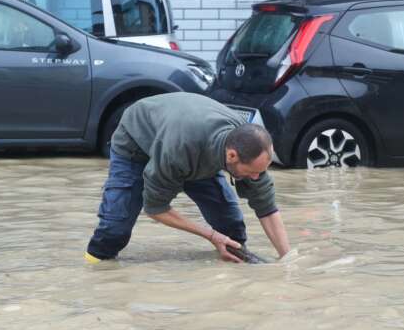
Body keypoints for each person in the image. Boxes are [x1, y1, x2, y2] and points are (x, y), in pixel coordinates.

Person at [85, 92, 290, 263]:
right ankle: (94, 268)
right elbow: (156, 209)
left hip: (191, 144)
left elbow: (266, 207)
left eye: (260, 171)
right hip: (136, 144)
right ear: (232, 155)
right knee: (114, 231)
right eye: (253, 172)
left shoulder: (249, 146)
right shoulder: (179, 151)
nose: (256, 177)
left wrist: (286, 259)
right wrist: (210, 236)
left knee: (231, 229)